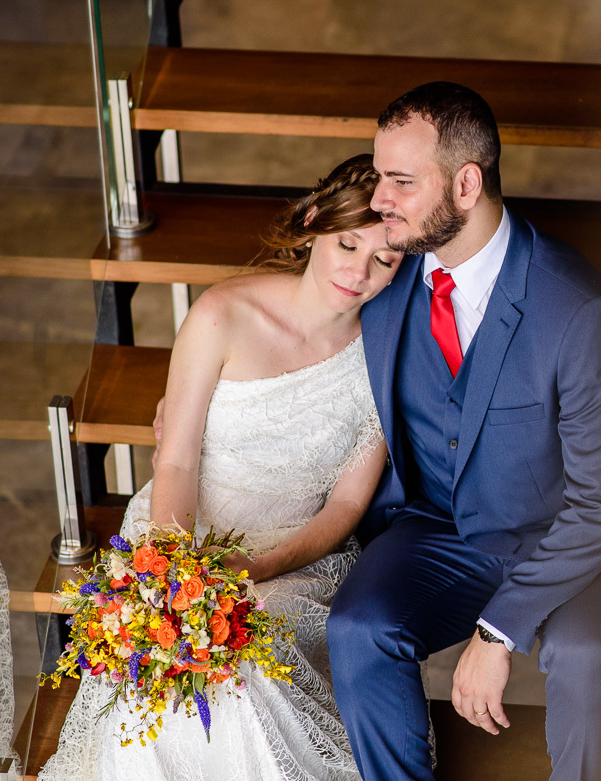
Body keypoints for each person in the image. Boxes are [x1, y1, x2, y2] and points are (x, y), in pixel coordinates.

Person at [37, 154, 402, 781]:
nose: (358, 271)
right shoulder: (221, 315)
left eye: (384, 259)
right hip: (180, 529)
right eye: (346, 244)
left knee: (240, 675)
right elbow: (175, 457)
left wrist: (257, 570)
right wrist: (179, 580)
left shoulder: (386, 354)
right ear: (313, 221)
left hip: (291, 558)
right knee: (170, 676)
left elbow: (345, 507)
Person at [327, 82, 601, 781]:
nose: (381, 200)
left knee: (591, 657)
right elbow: (303, 306)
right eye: (381, 177)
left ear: (466, 184)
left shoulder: (576, 309)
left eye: (402, 182)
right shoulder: (389, 276)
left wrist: (497, 632)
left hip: (559, 541)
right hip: (437, 527)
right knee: (357, 628)